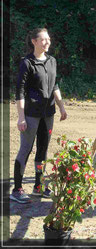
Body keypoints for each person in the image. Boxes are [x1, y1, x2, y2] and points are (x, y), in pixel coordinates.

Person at [10, 28, 67, 204]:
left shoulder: (52, 61)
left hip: (48, 113)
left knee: (42, 150)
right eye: (43, 40)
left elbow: (55, 86)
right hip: (31, 114)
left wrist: (62, 107)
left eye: (48, 39)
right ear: (34, 41)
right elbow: (19, 92)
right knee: (26, 149)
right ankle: (17, 189)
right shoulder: (27, 63)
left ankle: (39, 186)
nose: (47, 42)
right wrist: (21, 117)